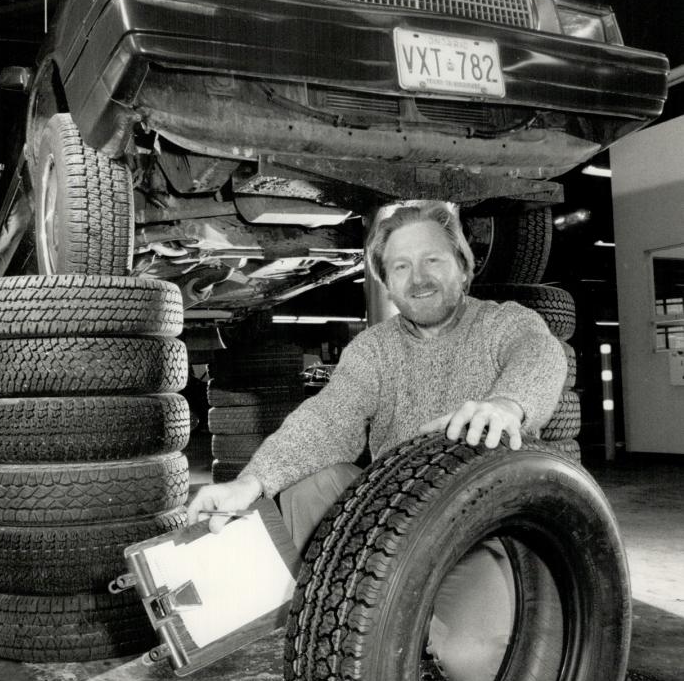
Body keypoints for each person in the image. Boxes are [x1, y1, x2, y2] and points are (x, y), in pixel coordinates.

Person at [187, 199, 568, 550]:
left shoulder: (502, 322)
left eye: (432, 260)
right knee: (309, 486)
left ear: (463, 268)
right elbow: (328, 419)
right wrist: (248, 483)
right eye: (401, 267)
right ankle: (326, 610)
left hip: (485, 526)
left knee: (462, 622)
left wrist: (505, 404)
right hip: (399, 519)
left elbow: (539, 354)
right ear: (387, 285)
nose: (418, 279)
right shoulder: (374, 349)